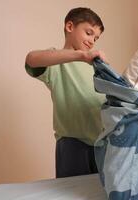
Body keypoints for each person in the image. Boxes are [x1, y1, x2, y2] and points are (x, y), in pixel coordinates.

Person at [25, 7, 107, 178]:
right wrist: (79, 56)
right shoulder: (57, 63)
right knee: (71, 192)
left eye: (96, 37)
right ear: (70, 27)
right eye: (88, 32)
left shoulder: (93, 66)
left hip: (102, 142)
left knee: (100, 191)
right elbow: (31, 60)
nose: (92, 40)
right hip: (73, 144)